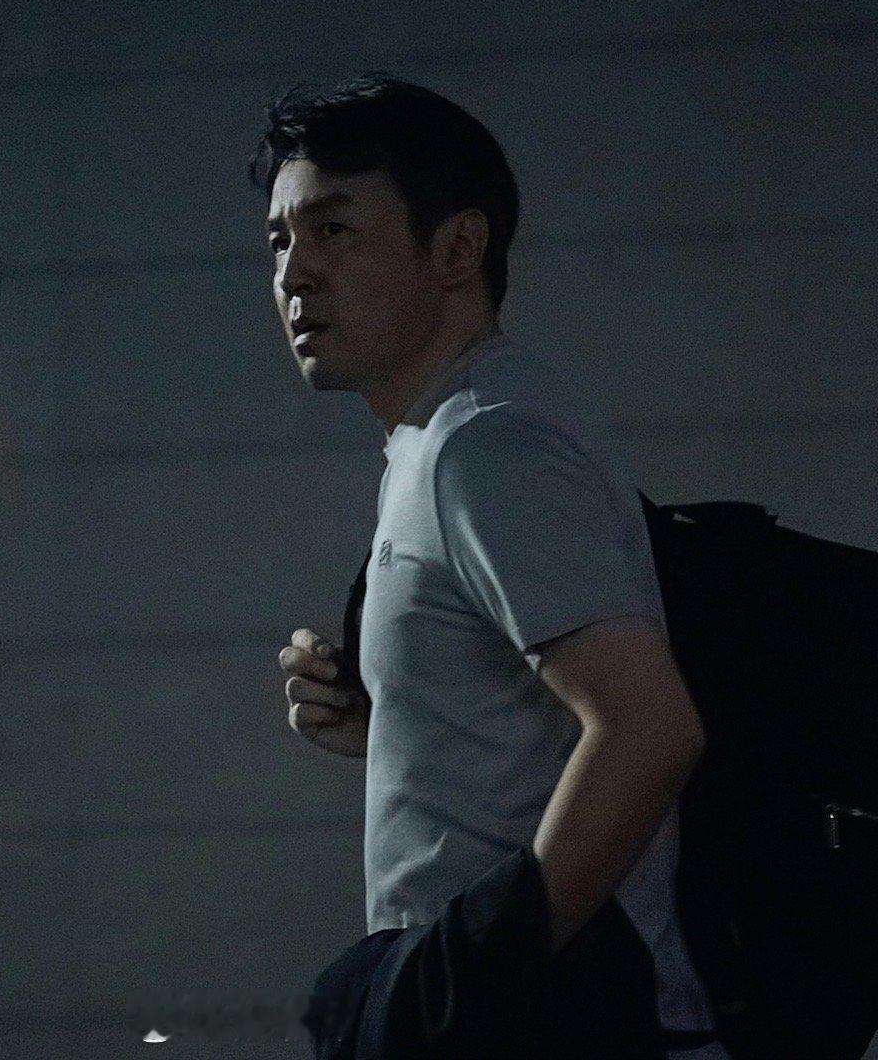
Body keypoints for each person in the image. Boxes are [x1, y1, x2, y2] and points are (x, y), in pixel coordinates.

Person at [251, 76, 731, 1058]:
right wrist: (397, 723)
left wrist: (463, 978)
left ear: (458, 250)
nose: (296, 273)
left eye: (333, 229)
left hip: (561, 1031)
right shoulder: (438, 440)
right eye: (279, 241)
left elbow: (650, 730)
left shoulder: (488, 446)